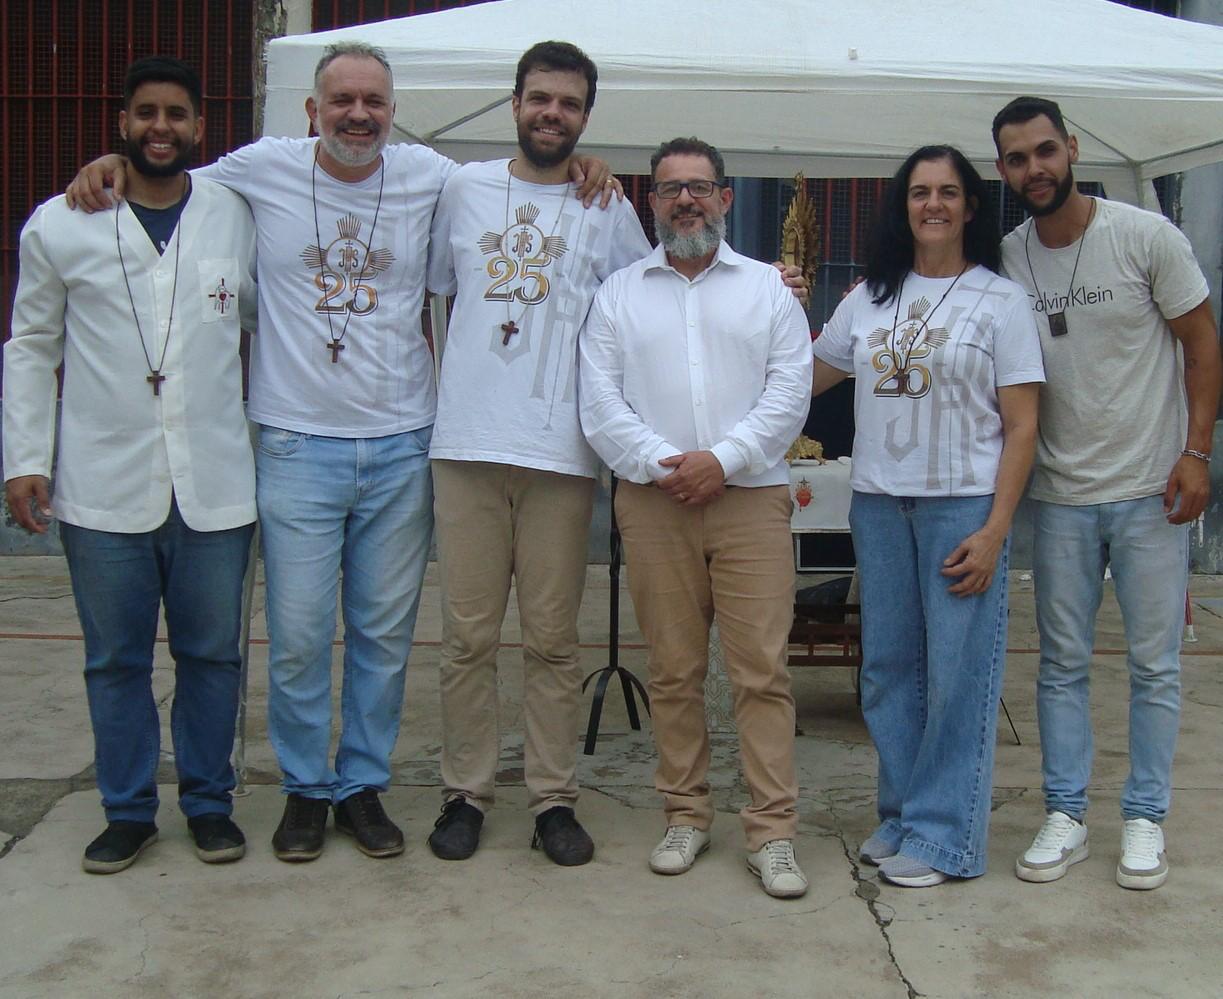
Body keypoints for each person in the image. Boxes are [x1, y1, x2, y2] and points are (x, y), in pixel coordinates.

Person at [64, 42, 617, 863]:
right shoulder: (260, 168)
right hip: (293, 442)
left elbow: (528, 194)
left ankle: (360, 784)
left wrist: (589, 169)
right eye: (342, 100)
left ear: (393, 112)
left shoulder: (437, 176)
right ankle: (302, 788)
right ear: (312, 110)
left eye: (375, 102)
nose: (359, 115)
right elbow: (168, 171)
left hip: (401, 442)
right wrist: (111, 162)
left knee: (383, 637)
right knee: (294, 636)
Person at [3, 56, 257, 873]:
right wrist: (23, 458)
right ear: (121, 124)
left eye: (176, 114)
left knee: (213, 654)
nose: (160, 128)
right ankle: (127, 809)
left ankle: (210, 802)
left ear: (199, 129)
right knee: (114, 658)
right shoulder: (61, 222)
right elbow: (32, 345)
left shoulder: (235, 215)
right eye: (145, 113)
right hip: (102, 484)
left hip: (214, 481)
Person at [423, 41, 651, 866]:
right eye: (538, 98)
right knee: (466, 637)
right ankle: (464, 793)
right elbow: (425, 293)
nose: (551, 114)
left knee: (554, 640)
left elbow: (642, 310)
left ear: (585, 116)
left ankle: (554, 797)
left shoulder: (607, 208)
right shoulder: (461, 188)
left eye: (568, 104)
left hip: (562, 452)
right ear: (513, 102)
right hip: (466, 445)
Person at [993, 97, 1221, 891]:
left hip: (1151, 489)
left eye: (1044, 150)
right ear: (1003, 171)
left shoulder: (1145, 237)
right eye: (1017, 159)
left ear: (1072, 148)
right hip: (1057, 495)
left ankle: (1144, 817)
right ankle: (1065, 814)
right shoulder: (1006, 259)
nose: (1035, 169)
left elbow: (1201, 345)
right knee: (1059, 664)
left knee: (1153, 665)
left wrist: (1197, 452)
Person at [579, 137, 813, 898]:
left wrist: (725, 457)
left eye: (700, 187)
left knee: (760, 672)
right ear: (650, 202)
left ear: (726, 198)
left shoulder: (766, 291)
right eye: (670, 188)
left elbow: (789, 391)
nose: (685, 199)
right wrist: (664, 463)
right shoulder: (618, 293)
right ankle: (685, 813)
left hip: (749, 499)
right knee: (674, 670)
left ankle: (771, 831)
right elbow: (600, 400)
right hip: (654, 502)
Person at [811, 145, 1044, 887]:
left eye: (947, 192)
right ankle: (903, 811)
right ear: (901, 205)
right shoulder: (869, 298)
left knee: (955, 675)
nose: (932, 204)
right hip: (880, 504)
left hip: (961, 506)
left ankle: (945, 836)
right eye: (918, 192)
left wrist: (995, 527)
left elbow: (1022, 426)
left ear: (970, 207)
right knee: (886, 672)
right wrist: (772, 301)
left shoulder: (999, 301)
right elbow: (803, 372)